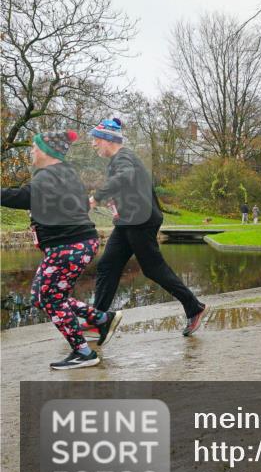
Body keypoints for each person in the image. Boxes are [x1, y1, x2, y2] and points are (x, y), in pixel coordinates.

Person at [0, 130, 123, 369]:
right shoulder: (65, 174)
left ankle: (83, 352)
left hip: (68, 246)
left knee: (49, 298)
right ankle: (102, 319)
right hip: (77, 244)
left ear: (47, 152)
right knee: (41, 297)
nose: (31, 151)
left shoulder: (48, 175)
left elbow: (24, 196)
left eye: (35, 148)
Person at [89, 118, 209, 336]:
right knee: (107, 266)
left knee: (153, 268)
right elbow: (127, 185)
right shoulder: (119, 159)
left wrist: (97, 197)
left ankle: (194, 307)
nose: (93, 143)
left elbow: (125, 176)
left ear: (108, 140)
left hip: (140, 222)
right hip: (127, 222)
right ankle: (98, 320)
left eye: (96, 139)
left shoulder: (124, 158)